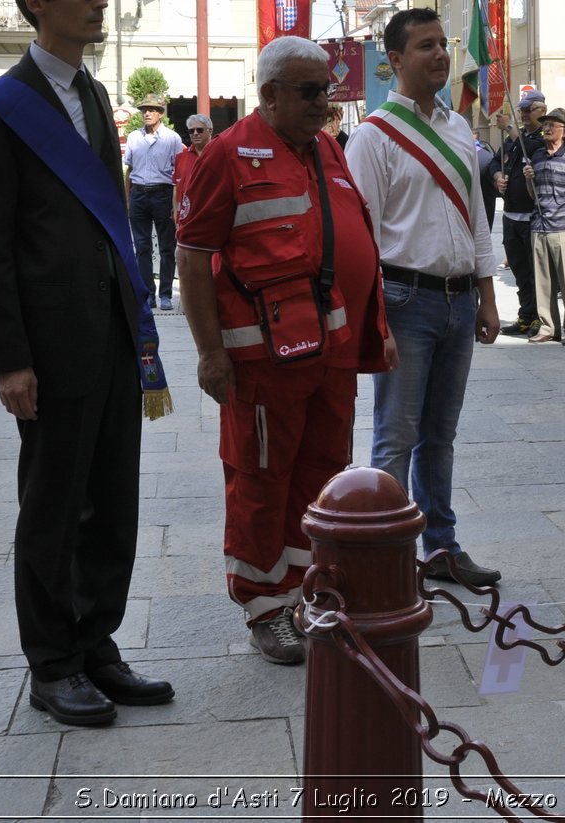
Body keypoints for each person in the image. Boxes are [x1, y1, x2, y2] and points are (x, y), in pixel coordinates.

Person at [0, 0, 174, 726]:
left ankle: (96, 643)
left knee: (112, 498)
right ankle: (52, 661)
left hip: (114, 333)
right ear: (35, 2)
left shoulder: (91, 96)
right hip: (50, 348)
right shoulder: (1, 107)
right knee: (54, 506)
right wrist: (10, 359)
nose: (99, 1)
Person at [176, 36, 395, 665]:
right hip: (263, 362)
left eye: (326, 89)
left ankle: (305, 592)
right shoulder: (226, 154)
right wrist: (209, 353)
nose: (324, 103)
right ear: (268, 95)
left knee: (322, 473)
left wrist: (377, 329)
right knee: (261, 479)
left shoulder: (327, 147)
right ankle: (263, 605)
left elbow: (356, 244)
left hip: (329, 353)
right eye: (309, 91)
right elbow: (192, 258)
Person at [345, 8, 503, 588]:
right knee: (396, 435)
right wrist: (375, 320)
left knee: (442, 435)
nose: (439, 55)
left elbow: (478, 219)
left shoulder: (460, 128)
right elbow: (362, 239)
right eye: (424, 46)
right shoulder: (373, 136)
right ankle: (384, 557)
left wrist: (487, 297)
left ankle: (441, 547)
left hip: (460, 301)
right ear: (393, 60)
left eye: (443, 44)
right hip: (405, 298)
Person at [527, 108, 565, 345]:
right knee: (543, 282)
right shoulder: (538, 155)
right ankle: (547, 327)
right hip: (539, 225)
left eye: (553, 124)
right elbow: (533, 195)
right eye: (545, 124)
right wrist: (528, 179)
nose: (547, 128)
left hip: (564, 225)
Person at [490, 90, 545, 336]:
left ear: (541, 111)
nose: (523, 114)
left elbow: (531, 151)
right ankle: (525, 314)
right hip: (511, 215)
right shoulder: (516, 137)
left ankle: (540, 317)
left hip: (532, 217)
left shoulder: (543, 137)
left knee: (536, 271)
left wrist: (510, 127)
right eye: (521, 110)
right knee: (519, 270)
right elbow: (494, 161)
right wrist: (498, 177)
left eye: (527, 110)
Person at [125, 94, 184, 311]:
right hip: (139, 194)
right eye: (143, 110)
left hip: (163, 194)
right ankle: (147, 294)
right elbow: (129, 171)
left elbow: (178, 173)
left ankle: (166, 294)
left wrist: (175, 203)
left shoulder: (173, 138)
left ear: (160, 113)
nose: (147, 113)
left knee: (167, 247)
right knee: (142, 247)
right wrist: (127, 199)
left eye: (151, 109)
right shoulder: (133, 137)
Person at [172, 112, 213, 208]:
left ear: (210, 131)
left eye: (199, 130)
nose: (195, 133)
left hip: (212, 212)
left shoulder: (220, 154)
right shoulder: (181, 157)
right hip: (186, 215)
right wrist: (175, 212)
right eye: (191, 131)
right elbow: (176, 188)